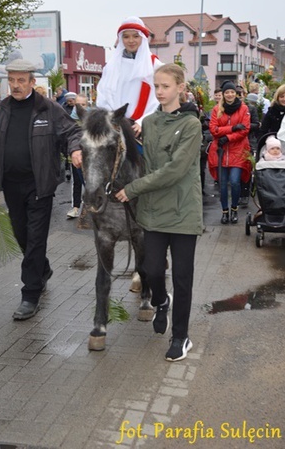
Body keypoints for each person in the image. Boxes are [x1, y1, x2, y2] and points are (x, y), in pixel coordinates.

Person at [0, 59, 82, 320]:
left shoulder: (48, 108)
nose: (15, 85)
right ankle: (43, 269)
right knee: (22, 236)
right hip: (11, 184)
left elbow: (72, 131)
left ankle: (30, 294)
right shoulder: (0, 110)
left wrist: (75, 149)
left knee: (36, 238)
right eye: (12, 80)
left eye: (21, 80)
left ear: (31, 81)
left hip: (40, 184)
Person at [115, 63, 202, 362]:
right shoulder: (149, 123)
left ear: (180, 87)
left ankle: (181, 336)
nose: (160, 91)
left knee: (182, 276)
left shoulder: (192, 125)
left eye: (165, 86)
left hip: (182, 211)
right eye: (157, 86)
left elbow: (175, 170)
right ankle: (161, 302)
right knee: (151, 270)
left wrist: (134, 188)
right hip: (153, 211)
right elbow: (139, 158)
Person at [96, 16, 163, 136]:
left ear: (142, 38)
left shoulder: (154, 65)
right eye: (126, 36)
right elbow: (103, 94)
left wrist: (142, 122)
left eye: (135, 36)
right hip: (114, 125)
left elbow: (158, 98)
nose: (131, 40)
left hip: (142, 127)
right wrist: (111, 118)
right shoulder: (112, 66)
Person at [208, 81, 251, 224]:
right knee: (222, 183)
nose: (230, 94)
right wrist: (232, 129)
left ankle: (234, 209)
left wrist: (227, 137)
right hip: (221, 151)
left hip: (238, 150)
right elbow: (213, 129)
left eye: (232, 92)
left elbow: (244, 130)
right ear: (223, 94)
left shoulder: (243, 109)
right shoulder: (216, 109)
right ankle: (225, 211)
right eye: (227, 92)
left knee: (234, 182)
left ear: (236, 93)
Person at [67, 94, 90, 218]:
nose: (80, 107)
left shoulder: (91, 120)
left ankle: (92, 206)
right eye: (78, 105)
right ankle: (75, 207)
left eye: (83, 105)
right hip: (75, 158)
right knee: (76, 183)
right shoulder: (69, 120)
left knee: (90, 183)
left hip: (90, 159)